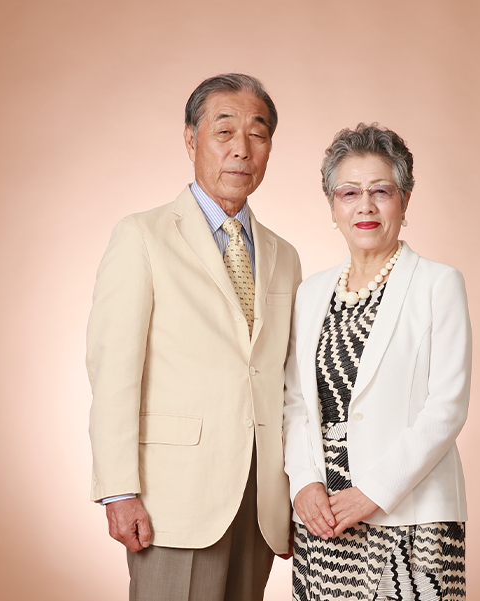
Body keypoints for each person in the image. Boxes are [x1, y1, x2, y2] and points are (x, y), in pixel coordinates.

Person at [86, 73, 301, 601]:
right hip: (173, 498)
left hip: (260, 500)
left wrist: (298, 488)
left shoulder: (284, 255)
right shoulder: (142, 236)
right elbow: (114, 372)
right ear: (191, 140)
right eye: (224, 132)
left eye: (257, 134)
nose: (241, 149)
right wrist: (118, 490)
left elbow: (287, 383)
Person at [283, 123, 471, 600]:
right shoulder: (310, 293)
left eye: (380, 191)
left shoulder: (438, 284)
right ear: (333, 207)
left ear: (404, 202)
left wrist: (372, 492)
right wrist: (304, 484)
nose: (364, 206)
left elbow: (446, 407)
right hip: (325, 520)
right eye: (349, 193)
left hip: (411, 519)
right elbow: (296, 402)